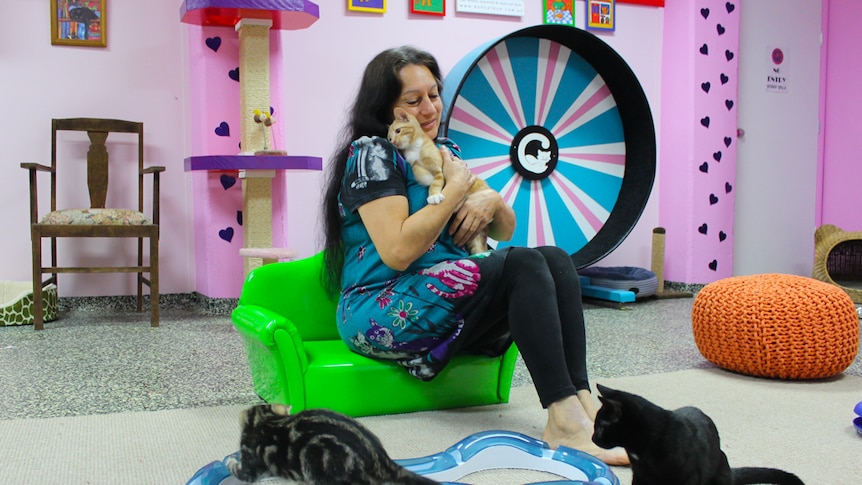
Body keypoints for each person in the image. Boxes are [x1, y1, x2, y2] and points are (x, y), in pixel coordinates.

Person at [321, 45, 628, 466]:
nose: (429, 108)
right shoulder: (373, 154)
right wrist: (453, 193)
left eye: (434, 94)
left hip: (448, 298)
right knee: (520, 263)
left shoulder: (445, 151)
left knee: (554, 258)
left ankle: (581, 400)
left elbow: (504, 227)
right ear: (386, 108)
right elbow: (397, 251)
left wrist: (490, 203)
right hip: (381, 307)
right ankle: (561, 417)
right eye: (413, 100)